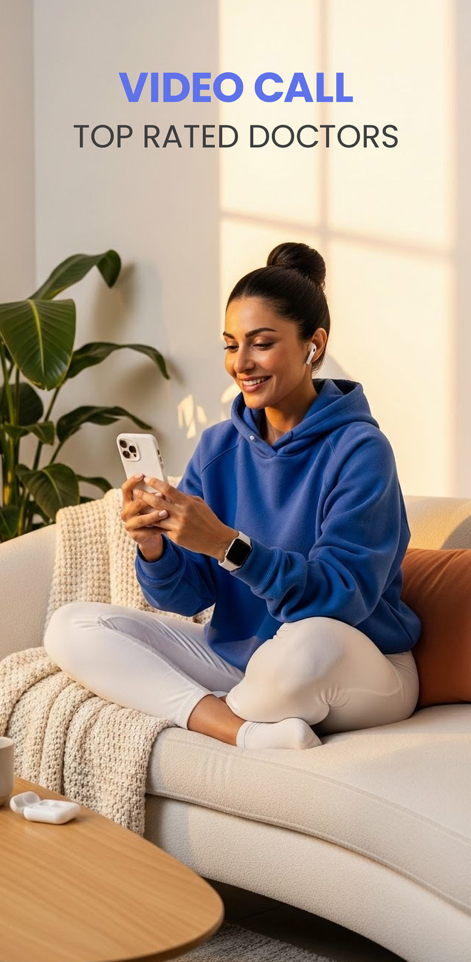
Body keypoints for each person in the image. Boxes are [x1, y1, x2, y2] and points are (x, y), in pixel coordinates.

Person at [44, 242, 421, 752]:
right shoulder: (220, 446)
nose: (240, 363)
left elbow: (341, 597)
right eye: (229, 344)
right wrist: (156, 548)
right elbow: (187, 597)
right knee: (72, 626)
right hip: (243, 661)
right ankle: (242, 731)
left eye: (260, 343)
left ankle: (223, 708)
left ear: (313, 345)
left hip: (357, 660)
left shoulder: (360, 450)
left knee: (307, 645)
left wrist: (227, 545)